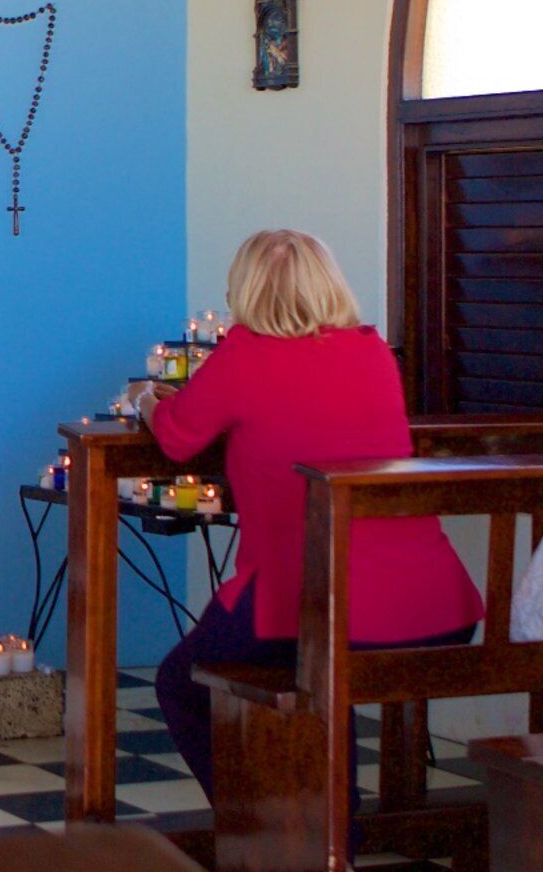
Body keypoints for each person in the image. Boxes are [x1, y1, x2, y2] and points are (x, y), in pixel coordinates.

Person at [143, 229, 480, 790]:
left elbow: (178, 437)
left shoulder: (244, 355)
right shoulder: (372, 351)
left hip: (308, 604)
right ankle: (329, 832)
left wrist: (146, 404)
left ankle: (265, 828)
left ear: (245, 291)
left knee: (181, 683)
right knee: (314, 678)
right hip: (435, 606)